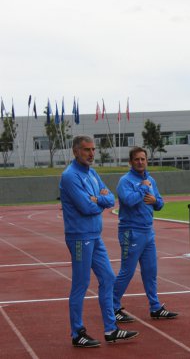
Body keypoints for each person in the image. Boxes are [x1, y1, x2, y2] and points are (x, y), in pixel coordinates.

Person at [60, 135, 139, 348]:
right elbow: (86, 208)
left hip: (95, 236)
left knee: (108, 278)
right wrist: (98, 202)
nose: (92, 153)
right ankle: (77, 333)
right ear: (76, 151)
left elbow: (110, 198)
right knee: (81, 284)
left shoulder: (92, 173)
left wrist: (99, 200)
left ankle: (111, 329)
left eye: (93, 149)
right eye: (86, 150)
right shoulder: (70, 176)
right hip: (79, 238)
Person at [113, 147, 178, 323]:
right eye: (137, 159)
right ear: (131, 162)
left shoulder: (150, 180)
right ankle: (112, 306)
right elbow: (128, 201)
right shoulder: (125, 181)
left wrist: (155, 200)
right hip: (130, 232)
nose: (140, 162)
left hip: (148, 231)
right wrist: (143, 190)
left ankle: (155, 307)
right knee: (127, 271)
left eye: (143, 159)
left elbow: (160, 203)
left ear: (147, 161)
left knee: (150, 271)